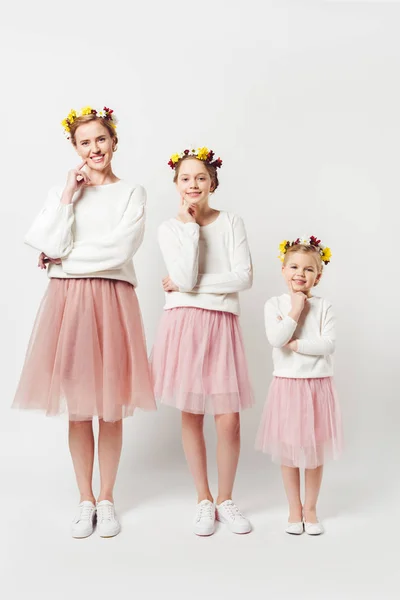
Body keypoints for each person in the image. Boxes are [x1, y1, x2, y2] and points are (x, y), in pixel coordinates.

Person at [13, 106, 156, 538]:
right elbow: (44, 241)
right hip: (69, 303)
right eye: (85, 142)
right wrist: (66, 199)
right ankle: (85, 500)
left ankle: (107, 498)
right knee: (79, 407)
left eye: (101, 139)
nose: (94, 148)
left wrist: (63, 261)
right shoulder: (64, 192)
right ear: (75, 148)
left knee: (110, 407)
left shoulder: (132, 193)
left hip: (113, 301)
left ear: (114, 141)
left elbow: (119, 251)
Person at [151, 147, 254, 536]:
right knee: (191, 413)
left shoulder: (231, 222)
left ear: (213, 182)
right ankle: (203, 498)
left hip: (221, 323)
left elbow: (243, 277)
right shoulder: (169, 228)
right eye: (185, 179)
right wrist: (191, 229)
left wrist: (189, 287)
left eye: (200, 178)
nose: (193, 184)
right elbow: (186, 273)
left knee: (228, 421)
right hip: (184, 324)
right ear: (176, 185)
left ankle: (226, 498)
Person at [256, 236, 342, 535]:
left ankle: (311, 508)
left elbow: (328, 345)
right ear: (283, 270)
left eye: (308, 270)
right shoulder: (275, 304)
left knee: (314, 452)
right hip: (288, 386)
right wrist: (295, 309)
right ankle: (294, 509)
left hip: (317, 386)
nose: (300, 274)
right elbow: (276, 339)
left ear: (318, 275)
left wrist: (297, 346)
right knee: (291, 452)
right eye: (293, 267)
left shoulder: (325, 306)